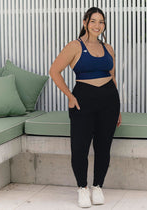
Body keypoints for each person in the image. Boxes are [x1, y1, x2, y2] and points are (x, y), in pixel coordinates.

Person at [49, 7, 122, 208]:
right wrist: (70, 96)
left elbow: (113, 77)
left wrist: (118, 108)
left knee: (103, 147)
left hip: (109, 101)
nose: (98, 25)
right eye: (93, 21)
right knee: (79, 147)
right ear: (85, 23)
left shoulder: (108, 48)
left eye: (101, 22)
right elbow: (54, 71)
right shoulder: (75, 46)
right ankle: (82, 188)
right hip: (83, 100)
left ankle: (98, 187)